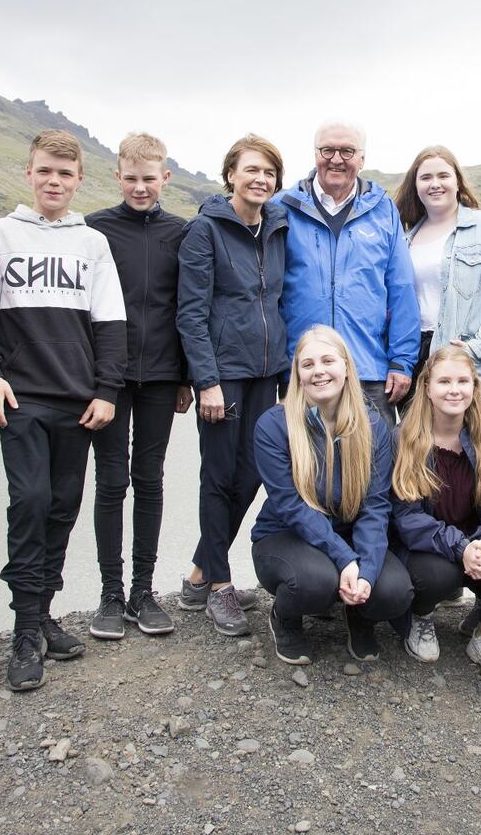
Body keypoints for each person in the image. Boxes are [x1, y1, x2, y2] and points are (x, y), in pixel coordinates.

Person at [0, 130, 128, 693]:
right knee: (29, 502)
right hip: (21, 398)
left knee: (61, 507)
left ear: (78, 179)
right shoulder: (1, 234)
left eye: (64, 173)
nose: (54, 182)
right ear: (29, 174)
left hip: (77, 401)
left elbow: (111, 324)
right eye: (44, 171)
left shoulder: (92, 243)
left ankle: (42, 615)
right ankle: (22, 631)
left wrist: (107, 391)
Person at [175, 134, 289, 636]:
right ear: (230, 176)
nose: (260, 179)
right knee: (219, 476)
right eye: (251, 170)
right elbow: (191, 313)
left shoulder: (277, 228)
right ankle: (219, 584)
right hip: (224, 374)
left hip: (267, 372)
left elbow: (278, 302)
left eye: (269, 172)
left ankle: (200, 572)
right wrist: (207, 381)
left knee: (255, 472)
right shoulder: (205, 230)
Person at [84, 133, 193, 642]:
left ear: (165, 177)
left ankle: (143, 591)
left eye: (149, 179)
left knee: (149, 478)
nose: (140, 187)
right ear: (117, 176)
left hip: (163, 376)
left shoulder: (181, 233)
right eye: (131, 179)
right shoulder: (94, 230)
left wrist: (187, 376)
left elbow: (189, 306)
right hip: (109, 377)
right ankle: (110, 593)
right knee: (111, 481)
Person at [251, 327, 412, 665]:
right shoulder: (273, 425)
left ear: (346, 367)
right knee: (315, 583)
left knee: (394, 592)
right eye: (307, 364)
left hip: (350, 531)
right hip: (287, 534)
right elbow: (291, 506)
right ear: (297, 374)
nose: (318, 371)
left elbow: (375, 506)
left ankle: (359, 613)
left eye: (328, 361)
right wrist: (345, 558)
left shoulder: (373, 426)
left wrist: (366, 571)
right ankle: (285, 618)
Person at [389, 346, 481, 683]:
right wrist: (461, 547)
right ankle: (420, 616)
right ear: (427, 387)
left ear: (474, 387)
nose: (454, 390)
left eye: (462, 381)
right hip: (425, 548)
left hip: (475, 542)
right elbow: (406, 518)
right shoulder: (404, 439)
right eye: (444, 381)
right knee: (438, 575)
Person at [278, 121, 419, 425]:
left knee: (374, 454)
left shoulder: (384, 210)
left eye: (347, 151)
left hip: (368, 369)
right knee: (304, 454)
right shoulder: (282, 208)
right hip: (303, 370)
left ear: (362, 158)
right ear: (315, 153)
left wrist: (401, 361)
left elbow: (402, 287)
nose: (337, 159)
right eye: (327, 150)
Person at [392, 145, 481, 422]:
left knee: (478, 448)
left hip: (470, 365)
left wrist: (477, 348)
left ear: (457, 182)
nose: (435, 184)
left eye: (443, 175)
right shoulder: (404, 239)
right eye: (425, 177)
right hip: (415, 361)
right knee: (418, 446)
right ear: (415, 185)